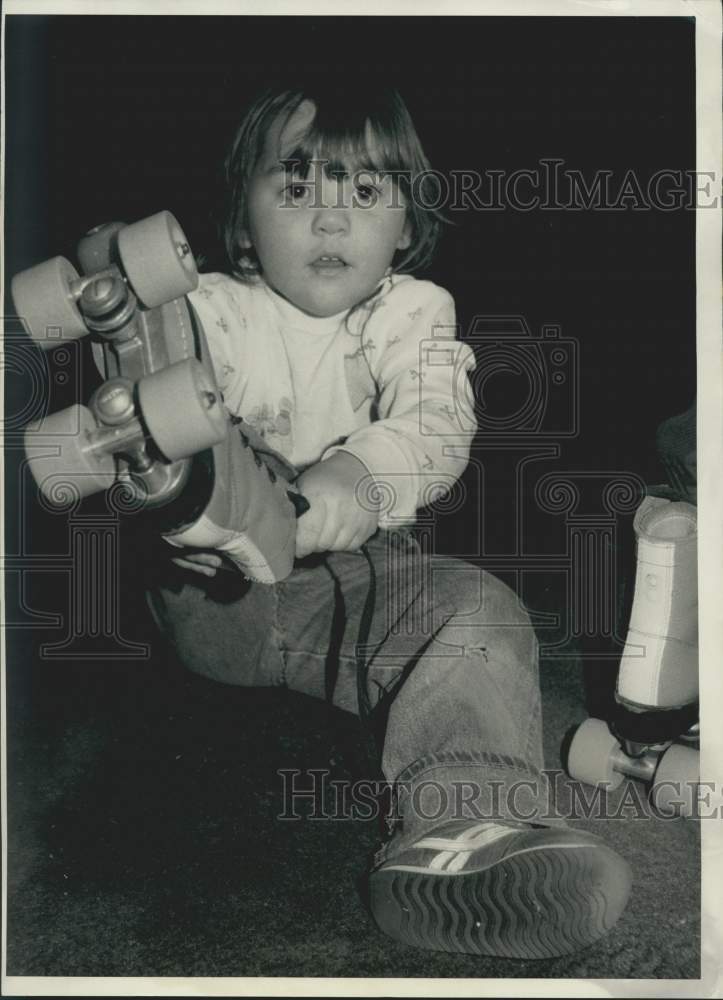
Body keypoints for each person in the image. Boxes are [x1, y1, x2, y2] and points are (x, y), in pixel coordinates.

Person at [146, 78, 632, 959]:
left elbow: (433, 427)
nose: (329, 222)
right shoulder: (215, 310)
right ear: (241, 219)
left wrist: (341, 482)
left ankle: (462, 831)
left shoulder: (414, 313)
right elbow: (163, 364)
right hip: (220, 595)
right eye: (295, 190)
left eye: (363, 191)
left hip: (355, 578)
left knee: (483, 612)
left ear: (404, 224)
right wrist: (127, 343)